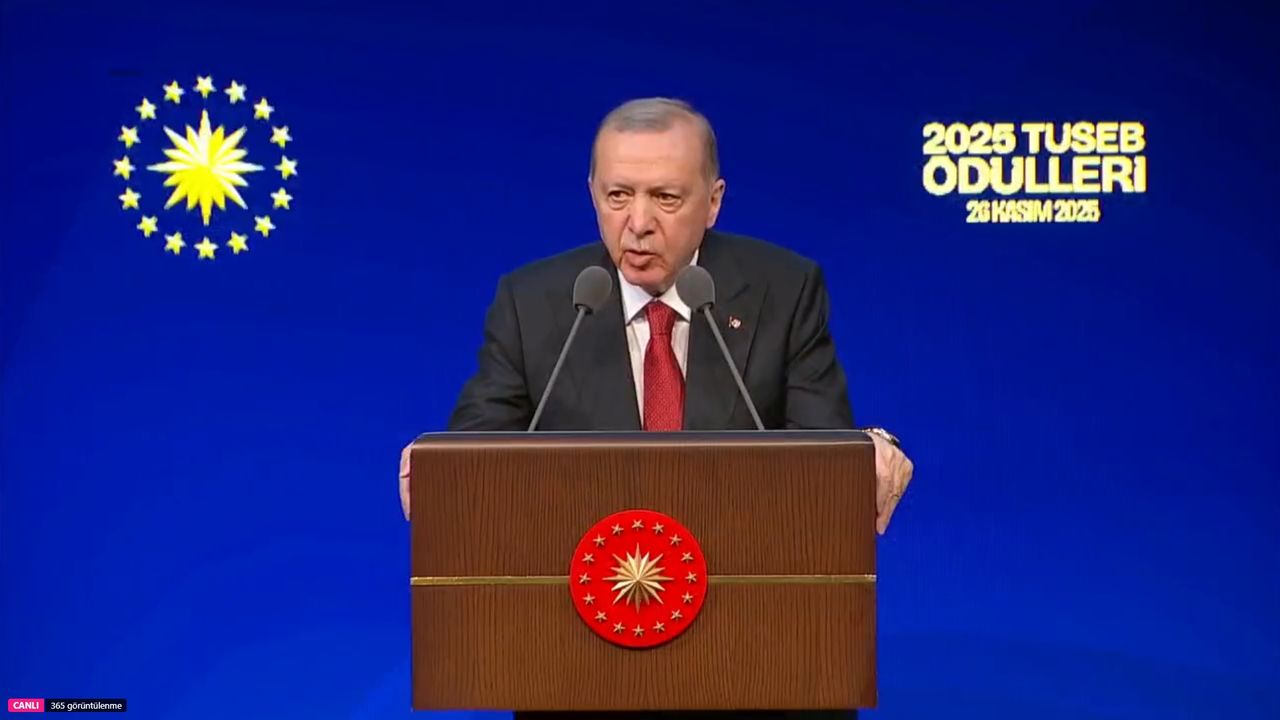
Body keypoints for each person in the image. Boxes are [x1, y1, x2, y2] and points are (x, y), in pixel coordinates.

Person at [399, 97, 914, 719]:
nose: (637, 223)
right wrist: (437, 465)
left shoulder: (784, 289)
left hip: (751, 658)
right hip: (581, 662)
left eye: (665, 198)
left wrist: (865, 448)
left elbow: (817, 453)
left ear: (713, 202)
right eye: (618, 196)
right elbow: (480, 454)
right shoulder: (534, 302)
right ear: (592, 193)